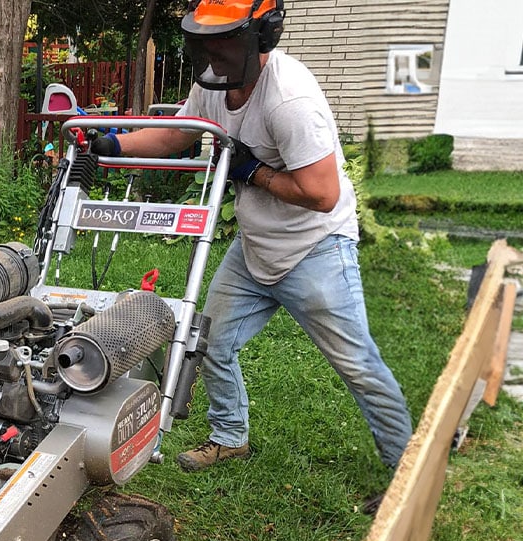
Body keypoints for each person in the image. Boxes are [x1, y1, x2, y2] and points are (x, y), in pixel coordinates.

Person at [92, 0, 412, 512]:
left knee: (357, 365)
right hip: (255, 247)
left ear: (259, 39)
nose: (212, 54)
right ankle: (230, 437)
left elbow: (323, 192)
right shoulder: (216, 81)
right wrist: (111, 142)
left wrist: (253, 173)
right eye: (205, 42)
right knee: (209, 338)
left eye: (223, 42)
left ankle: (407, 480)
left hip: (315, 250)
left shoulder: (290, 100)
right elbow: (179, 133)